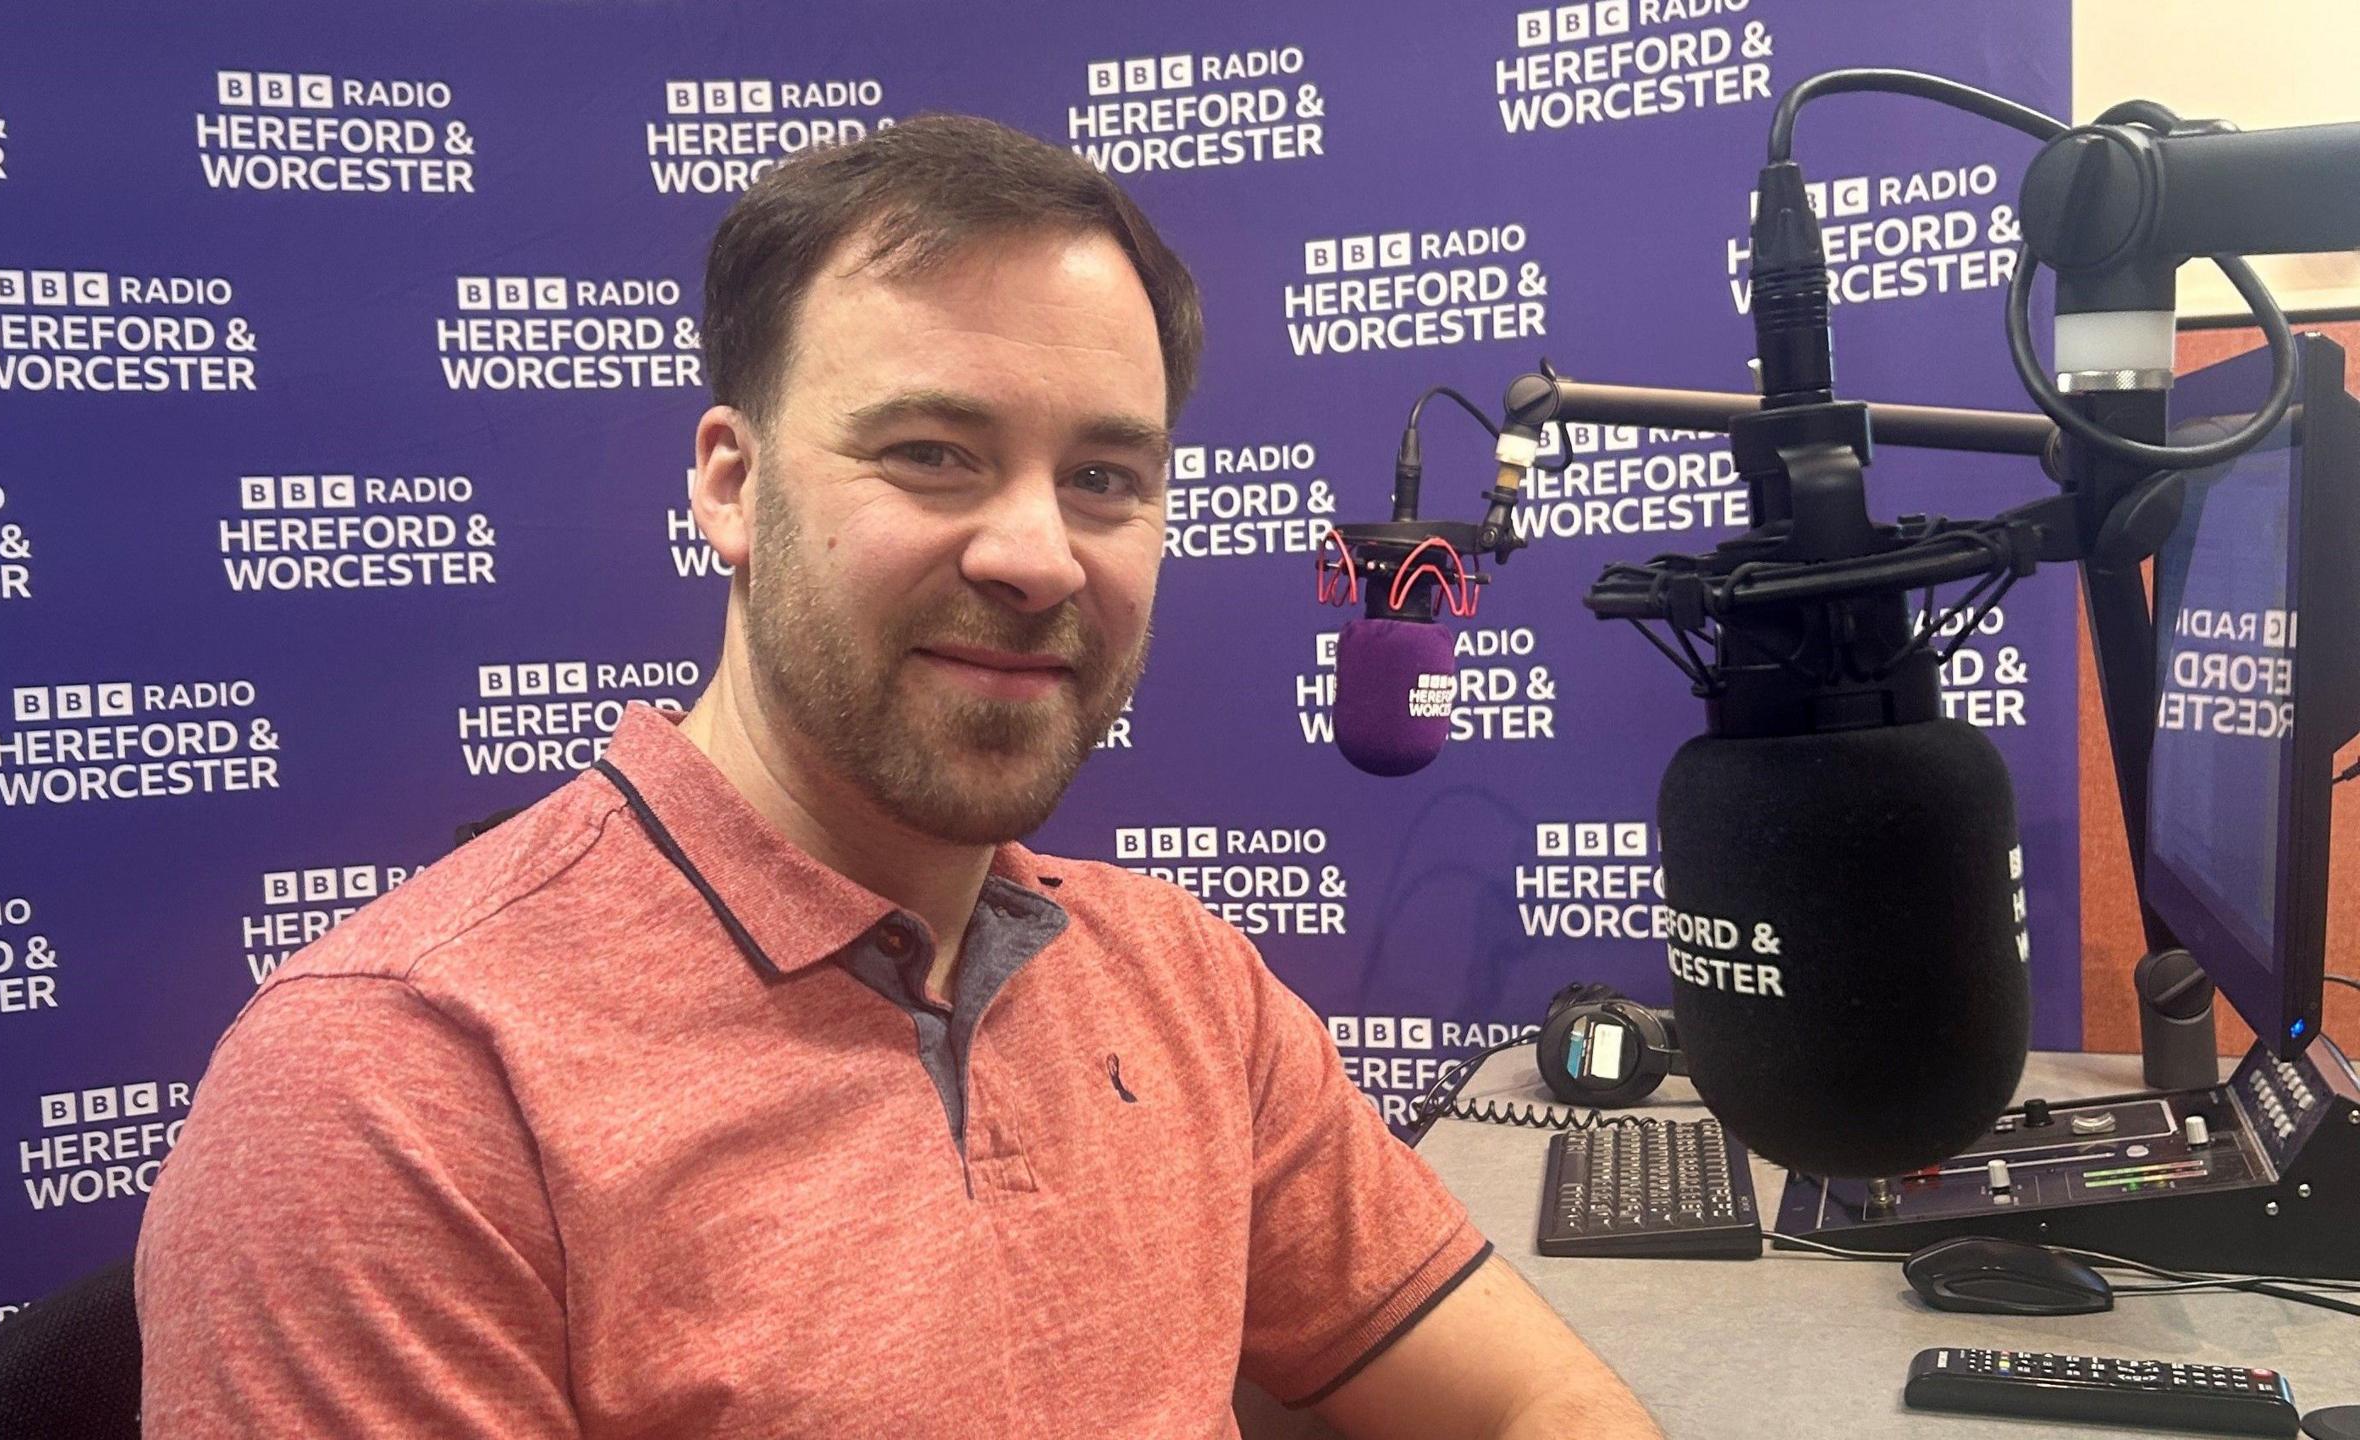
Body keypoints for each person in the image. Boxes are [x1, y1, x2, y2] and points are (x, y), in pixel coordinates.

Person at [136, 114, 1660, 1439]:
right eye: (931, 451)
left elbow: (1541, 1402)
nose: (1035, 553)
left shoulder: (1183, 984)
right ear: (730, 486)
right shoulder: (393, 1094)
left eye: (1107, 479)